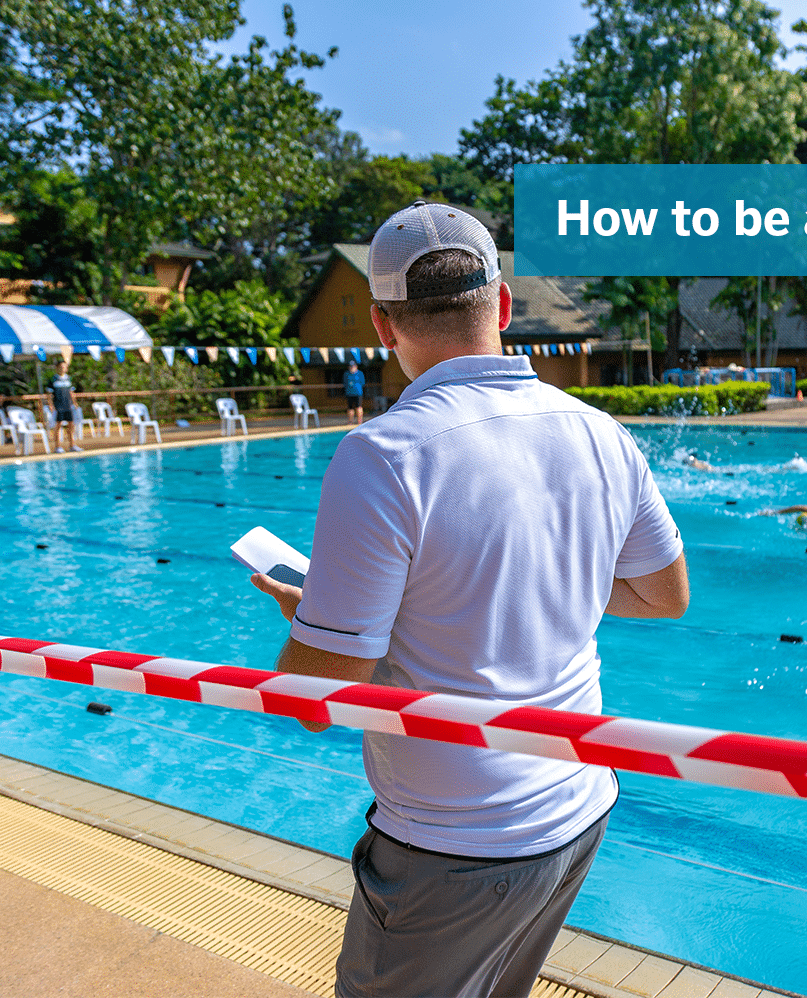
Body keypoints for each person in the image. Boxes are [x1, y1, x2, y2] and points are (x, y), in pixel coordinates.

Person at [250, 201, 689, 998]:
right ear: (506, 307)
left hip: (456, 843)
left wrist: (312, 619)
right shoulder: (602, 433)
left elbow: (310, 701)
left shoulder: (383, 455)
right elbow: (665, 598)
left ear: (384, 327)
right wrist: (553, 585)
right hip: (579, 806)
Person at [49, 360, 82, 453]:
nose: (64, 368)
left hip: (68, 405)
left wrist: (75, 403)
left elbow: (71, 392)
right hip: (58, 406)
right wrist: (51, 405)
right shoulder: (53, 379)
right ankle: (57, 447)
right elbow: (50, 394)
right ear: (57, 367)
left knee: (71, 425)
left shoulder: (68, 378)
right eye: (62, 366)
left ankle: (72, 445)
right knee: (58, 426)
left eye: (65, 366)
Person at [342, 359, 365, 425]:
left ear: (356, 366)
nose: (352, 367)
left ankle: (359, 422)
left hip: (358, 393)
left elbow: (362, 382)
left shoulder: (360, 373)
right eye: (350, 366)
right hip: (349, 393)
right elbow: (345, 383)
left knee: (358, 407)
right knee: (350, 408)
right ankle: (350, 421)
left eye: (353, 366)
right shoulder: (346, 374)